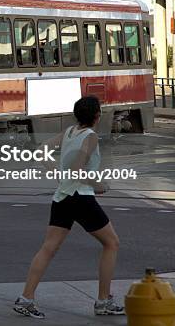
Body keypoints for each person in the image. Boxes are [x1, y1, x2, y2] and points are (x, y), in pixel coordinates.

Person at [13, 96, 124, 319]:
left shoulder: (70, 132)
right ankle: (103, 301)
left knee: (48, 248)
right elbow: (76, 169)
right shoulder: (90, 137)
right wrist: (98, 185)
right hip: (80, 197)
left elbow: (41, 151)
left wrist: (57, 173)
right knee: (111, 243)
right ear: (96, 116)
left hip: (62, 197)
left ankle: (26, 298)